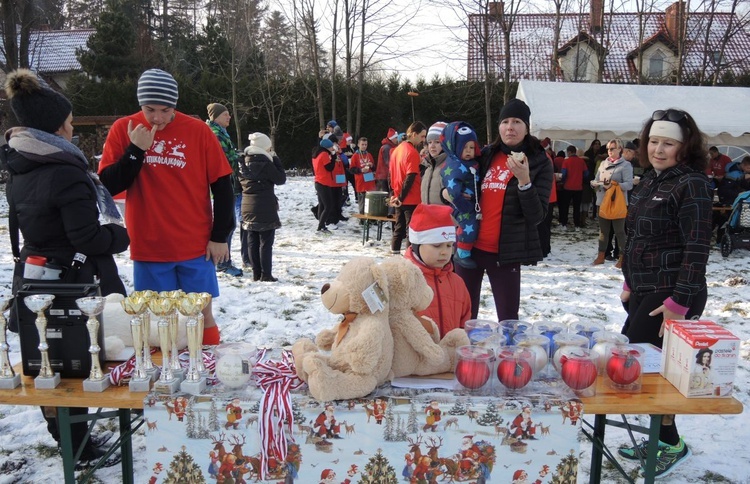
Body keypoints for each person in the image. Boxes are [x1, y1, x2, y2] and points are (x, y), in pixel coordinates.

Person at [2, 69, 129, 467]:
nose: (73, 128)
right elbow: (86, 237)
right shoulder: (65, 171)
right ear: (57, 128)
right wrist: (119, 238)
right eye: (71, 122)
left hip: (33, 275)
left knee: (47, 359)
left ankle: (68, 441)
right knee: (78, 359)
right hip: (73, 282)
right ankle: (80, 449)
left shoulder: (20, 166)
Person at [98, 68, 233, 345]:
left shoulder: (197, 130)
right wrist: (135, 151)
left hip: (195, 243)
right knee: (160, 322)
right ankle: (167, 378)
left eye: (166, 109)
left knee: (202, 315)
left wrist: (220, 236)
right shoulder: (125, 129)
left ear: (176, 104)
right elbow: (107, 185)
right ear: (140, 104)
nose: (157, 118)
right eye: (150, 110)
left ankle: (207, 369)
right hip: (150, 244)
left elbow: (222, 185)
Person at [618, 108, 712, 478]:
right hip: (645, 289)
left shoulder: (694, 184)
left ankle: (671, 442)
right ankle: (663, 437)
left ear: (684, 146)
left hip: (672, 295)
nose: (658, 148)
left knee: (648, 368)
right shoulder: (650, 181)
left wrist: (680, 302)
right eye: (654, 141)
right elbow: (638, 236)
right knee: (649, 368)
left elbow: (698, 247)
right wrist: (628, 281)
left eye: (668, 143)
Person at [453, 99, 552, 321]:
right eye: (505, 121)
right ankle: (467, 355)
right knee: (464, 315)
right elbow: (457, 175)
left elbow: (537, 216)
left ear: (526, 128)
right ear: (499, 127)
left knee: (508, 319)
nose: (510, 127)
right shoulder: (486, 154)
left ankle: (508, 355)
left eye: (517, 121)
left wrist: (524, 180)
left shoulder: (539, 161)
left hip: (505, 254)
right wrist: (446, 193)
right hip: (470, 247)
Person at [404, 204, 471, 337]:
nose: (444, 252)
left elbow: (465, 320)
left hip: (450, 354)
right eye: (436, 245)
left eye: (449, 245)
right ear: (417, 245)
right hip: (416, 355)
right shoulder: (404, 280)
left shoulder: (457, 283)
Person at [239, 132, 286, 282]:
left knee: (252, 241)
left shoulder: (242, 162)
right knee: (266, 242)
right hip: (265, 205)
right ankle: (266, 274)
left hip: (247, 205)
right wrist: (276, 158)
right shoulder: (266, 164)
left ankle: (256, 273)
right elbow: (281, 179)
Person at [206, 102, 243, 277]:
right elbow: (222, 160)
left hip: (229, 183)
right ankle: (222, 262)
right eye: (225, 114)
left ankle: (223, 260)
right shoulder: (215, 134)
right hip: (221, 186)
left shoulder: (221, 132)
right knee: (227, 224)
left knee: (230, 223)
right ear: (215, 117)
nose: (229, 117)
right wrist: (237, 157)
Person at [440, 121, 483, 268]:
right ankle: (462, 253)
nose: (469, 151)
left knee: (472, 226)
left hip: (471, 202)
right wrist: (464, 206)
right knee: (468, 226)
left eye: (472, 147)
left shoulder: (470, 163)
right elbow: (453, 190)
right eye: (465, 147)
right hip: (463, 206)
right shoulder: (456, 165)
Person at [591, 138, 633, 268]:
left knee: (619, 231)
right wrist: (594, 184)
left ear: (619, 149)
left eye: (612, 148)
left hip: (617, 203)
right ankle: (601, 255)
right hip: (603, 201)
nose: (609, 151)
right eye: (608, 149)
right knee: (603, 231)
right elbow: (597, 179)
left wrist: (614, 185)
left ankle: (622, 257)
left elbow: (629, 184)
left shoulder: (625, 165)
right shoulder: (603, 163)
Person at [389, 121, 427, 254]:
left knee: (398, 228)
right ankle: (409, 258)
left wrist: (395, 194)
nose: (423, 140)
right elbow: (410, 177)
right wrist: (401, 197)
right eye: (422, 136)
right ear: (414, 134)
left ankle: (394, 254)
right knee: (411, 230)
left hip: (398, 195)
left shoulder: (396, 150)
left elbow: (392, 174)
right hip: (410, 198)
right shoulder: (412, 152)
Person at [312, 138, 341, 234]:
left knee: (322, 205)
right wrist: (333, 158)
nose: (332, 149)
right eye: (330, 147)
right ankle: (320, 227)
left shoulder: (316, 154)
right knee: (328, 206)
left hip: (318, 182)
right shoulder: (324, 154)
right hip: (324, 182)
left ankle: (321, 226)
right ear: (326, 148)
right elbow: (329, 168)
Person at [558, 145, 589, 230]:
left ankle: (564, 224)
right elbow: (586, 174)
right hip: (578, 187)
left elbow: (563, 174)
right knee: (577, 207)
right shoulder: (581, 161)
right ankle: (577, 225)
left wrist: (562, 181)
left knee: (565, 207)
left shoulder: (566, 162)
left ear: (569, 152)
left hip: (567, 187)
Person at [421, 121, 448, 205]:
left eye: (437, 142)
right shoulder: (428, 167)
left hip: (445, 216)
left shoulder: (450, 166)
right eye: (429, 142)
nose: (432, 146)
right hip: (428, 216)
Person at [348, 137, 376, 214]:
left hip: (370, 181)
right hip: (361, 182)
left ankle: (371, 218)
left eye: (365, 144)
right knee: (362, 201)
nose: (364, 146)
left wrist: (371, 165)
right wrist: (360, 170)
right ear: (358, 145)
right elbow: (351, 170)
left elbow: (374, 168)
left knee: (370, 201)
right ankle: (362, 218)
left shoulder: (369, 154)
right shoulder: (355, 156)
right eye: (362, 144)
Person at [375, 127, 398, 192]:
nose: (397, 139)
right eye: (396, 138)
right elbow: (388, 162)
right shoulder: (387, 148)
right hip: (383, 177)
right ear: (392, 138)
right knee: (385, 195)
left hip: (384, 176)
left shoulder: (389, 146)